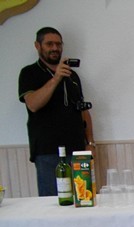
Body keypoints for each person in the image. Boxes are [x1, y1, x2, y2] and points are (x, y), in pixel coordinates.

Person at [18, 27, 96, 196]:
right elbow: (33, 104)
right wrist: (56, 78)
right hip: (48, 152)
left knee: (84, 199)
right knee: (52, 203)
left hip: (78, 150)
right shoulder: (29, 73)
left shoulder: (72, 76)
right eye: (49, 44)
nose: (55, 48)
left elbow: (83, 110)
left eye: (58, 44)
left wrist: (90, 143)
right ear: (37, 46)